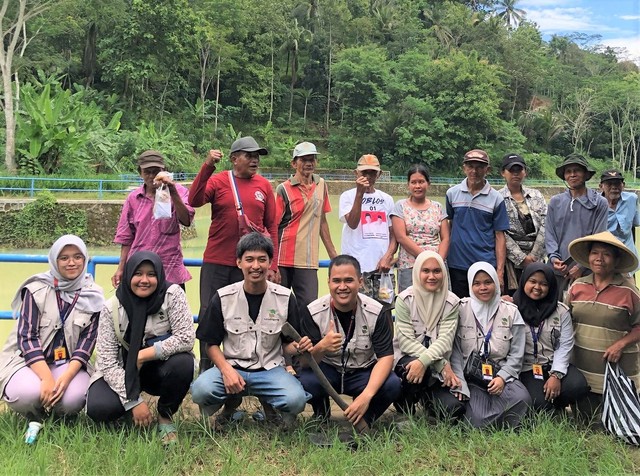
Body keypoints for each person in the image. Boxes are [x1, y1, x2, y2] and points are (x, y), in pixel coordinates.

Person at [190, 233, 312, 428]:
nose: (256, 266)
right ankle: (231, 405)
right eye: (249, 260)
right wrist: (226, 370)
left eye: (262, 260)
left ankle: (270, 410)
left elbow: (287, 345)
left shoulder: (285, 298)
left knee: (296, 400)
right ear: (239, 263)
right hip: (233, 366)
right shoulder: (223, 297)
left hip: (270, 370)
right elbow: (210, 344)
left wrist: (298, 347)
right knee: (200, 390)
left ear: (270, 262)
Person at [0, 235, 103, 444]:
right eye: (64, 257)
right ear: (54, 260)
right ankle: (35, 416)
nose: (71, 262)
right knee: (26, 394)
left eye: (77, 257)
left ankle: (58, 419)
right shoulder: (36, 290)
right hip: (28, 361)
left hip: (69, 364)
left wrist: (64, 379)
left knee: (72, 398)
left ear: (85, 259)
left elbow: (87, 344)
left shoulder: (94, 295)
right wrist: (47, 378)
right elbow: (27, 338)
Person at [188, 136, 280, 372]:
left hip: (251, 266)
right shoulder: (219, 181)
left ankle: (244, 369)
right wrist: (207, 165)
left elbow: (272, 228)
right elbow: (194, 199)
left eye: (257, 156)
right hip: (217, 261)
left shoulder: (264, 186)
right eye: (249, 155)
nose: (255, 160)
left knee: (246, 315)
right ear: (233, 159)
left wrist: (273, 265)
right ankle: (207, 371)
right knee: (209, 314)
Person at [86, 252, 195, 445]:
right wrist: (133, 400)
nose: (144, 280)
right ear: (128, 275)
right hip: (122, 369)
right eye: (138, 274)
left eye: (151, 274)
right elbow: (107, 362)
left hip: (158, 368)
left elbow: (186, 338)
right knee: (100, 408)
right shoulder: (112, 307)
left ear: (159, 276)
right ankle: (127, 412)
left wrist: (143, 355)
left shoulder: (172, 295)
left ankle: (165, 415)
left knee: (184, 364)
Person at [298, 255, 401, 426]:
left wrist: (367, 394)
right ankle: (321, 413)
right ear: (329, 282)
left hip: (363, 371)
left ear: (360, 282)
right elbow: (304, 363)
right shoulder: (313, 311)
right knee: (306, 382)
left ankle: (364, 418)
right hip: (328, 370)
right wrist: (322, 347)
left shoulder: (377, 312)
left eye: (349, 280)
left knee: (392, 384)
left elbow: (386, 357)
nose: (342, 287)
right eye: (336, 281)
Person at [566, 231, 640, 418]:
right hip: (583, 373)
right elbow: (565, 322)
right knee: (586, 423)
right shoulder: (577, 287)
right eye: (595, 253)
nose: (599, 259)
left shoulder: (628, 291)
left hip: (617, 375)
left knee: (620, 424)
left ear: (616, 260)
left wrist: (620, 344)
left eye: (606, 254)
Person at [448, 262, 531, 428]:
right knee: (477, 418)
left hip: (500, 374)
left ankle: (490, 422)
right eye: (477, 283)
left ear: (496, 282)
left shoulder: (511, 311)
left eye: (488, 282)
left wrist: (502, 377)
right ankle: (494, 422)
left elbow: (516, 354)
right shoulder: (460, 310)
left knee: (522, 399)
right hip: (471, 376)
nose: (483, 287)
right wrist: (461, 384)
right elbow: (455, 351)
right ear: (470, 285)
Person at [393, 250, 462, 417]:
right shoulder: (405, 300)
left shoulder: (451, 302)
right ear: (417, 272)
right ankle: (405, 409)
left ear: (443, 273)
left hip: (437, 368)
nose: (432, 276)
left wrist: (428, 363)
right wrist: (438, 364)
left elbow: (445, 341)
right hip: (408, 359)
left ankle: (427, 400)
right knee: (413, 366)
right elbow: (406, 342)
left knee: (453, 410)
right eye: (426, 271)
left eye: (437, 271)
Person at [112, 150, 194, 289]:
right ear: (140, 173)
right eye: (147, 172)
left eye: (155, 171)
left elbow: (186, 220)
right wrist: (121, 268)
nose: (151, 176)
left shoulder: (179, 191)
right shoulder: (133, 198)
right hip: (139, 270)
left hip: (169, 268)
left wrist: (172, 191)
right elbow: (126, 237)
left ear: (164, 171)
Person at [513, 263, 589, 412]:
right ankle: (548, 407)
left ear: (551, 286)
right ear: (523, 282)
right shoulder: (511, 308)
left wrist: (556, 375)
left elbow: (565, 345)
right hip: (527, 368)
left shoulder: (561, 311)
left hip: (552, 363)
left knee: (577, 386)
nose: (537, 287)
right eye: (532, 281)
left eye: (543, 284)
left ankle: (557, 404)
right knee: (539, 403)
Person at [276, 141, 337, 308]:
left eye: (312, 159)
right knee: (280, 306)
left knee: (309, 307)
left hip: (309, 260)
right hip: (283, 259)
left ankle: (306, 336)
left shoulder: (321, 185)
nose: (309, 163)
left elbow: (322, 220)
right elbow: (273, 225)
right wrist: (271, 262)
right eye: (303, 160)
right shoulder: (283, 189)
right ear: (294, 163)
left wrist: (333, 254)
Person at [446, 149, 509, 298]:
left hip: (485, 264)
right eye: (470, 166)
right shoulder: (452, 194)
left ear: (487, 170)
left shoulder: (496, 198)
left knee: (485, 311)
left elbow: (500, 236)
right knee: (459, 308)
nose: (474, 171)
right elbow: (449, 226)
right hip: (457, 264)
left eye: (480, 167)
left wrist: (499, 272)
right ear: (464, 168)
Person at [546, 154, 608, 300]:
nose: (572, 175)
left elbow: (598, 237)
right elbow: (550, 233)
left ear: (586, 174)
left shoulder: (599, 203)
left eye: (577, 170)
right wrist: (554, 258)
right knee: (554, 311)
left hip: (587, 270)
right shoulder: (556, 202)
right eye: (568, 171)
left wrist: (581, 266)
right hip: (557, 268)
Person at [339, 154, 397, 300]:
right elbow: (352, 223)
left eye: (372, 172)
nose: (368, 176)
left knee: (385, 312)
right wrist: (360, 194)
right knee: (357, 312)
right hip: (357, 270)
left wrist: (388, 256)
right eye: (364, 172)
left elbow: (393, 233)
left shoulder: (387, 199)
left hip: (382, 270)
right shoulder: (347, 196)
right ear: (356, 173)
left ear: (379, 174)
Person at [391, 164, 450, 293]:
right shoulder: (400, 206)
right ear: (408, 185)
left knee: (439, 304)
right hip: (410, 265)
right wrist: (426, 259)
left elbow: (445, 238)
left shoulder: (438, 207)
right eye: (413, 182)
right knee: (410, 305)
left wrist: (437, 262)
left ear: (428, 184)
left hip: (437, 265)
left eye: (421, 182)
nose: (417, 186)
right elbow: (401, 237)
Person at [498, 154, 547, 295]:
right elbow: (500, 232)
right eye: (511, 170)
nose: (515, 174)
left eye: (519, 170)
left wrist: (533, 257)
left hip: (536, 256)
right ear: (503, 173)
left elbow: (546, 224)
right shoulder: (497, 198)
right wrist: (521, 258)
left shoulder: (536, 195)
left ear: (525, 172)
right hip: (511, 260)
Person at [599, 169, 640, 264]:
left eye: (617, 183)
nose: (614, 187)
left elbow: (635, 223)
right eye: (609, 184)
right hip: (604, 257)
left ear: (623, 185)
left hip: (628, 255)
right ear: (601, 186)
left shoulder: (632, 199)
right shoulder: (595, 204)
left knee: (627, 278)